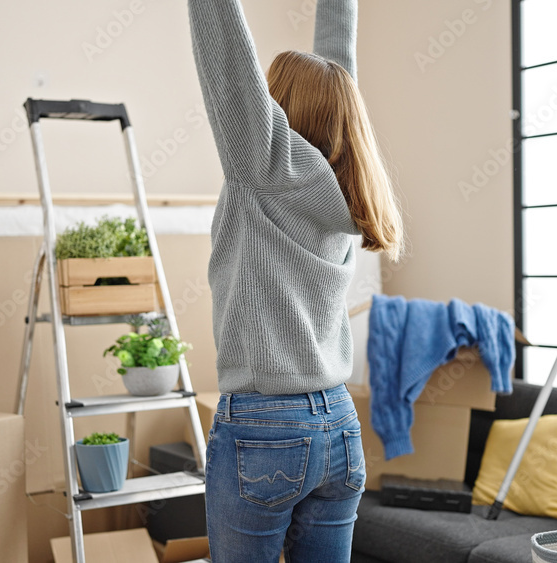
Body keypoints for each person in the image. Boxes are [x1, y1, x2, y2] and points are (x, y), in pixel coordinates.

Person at [188, 0, 404, 561]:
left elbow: (226, 56)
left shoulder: (263, 168)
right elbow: (339, 74)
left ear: (274, 107)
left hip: (264, 427)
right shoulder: (348, 183)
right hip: (337, 424)